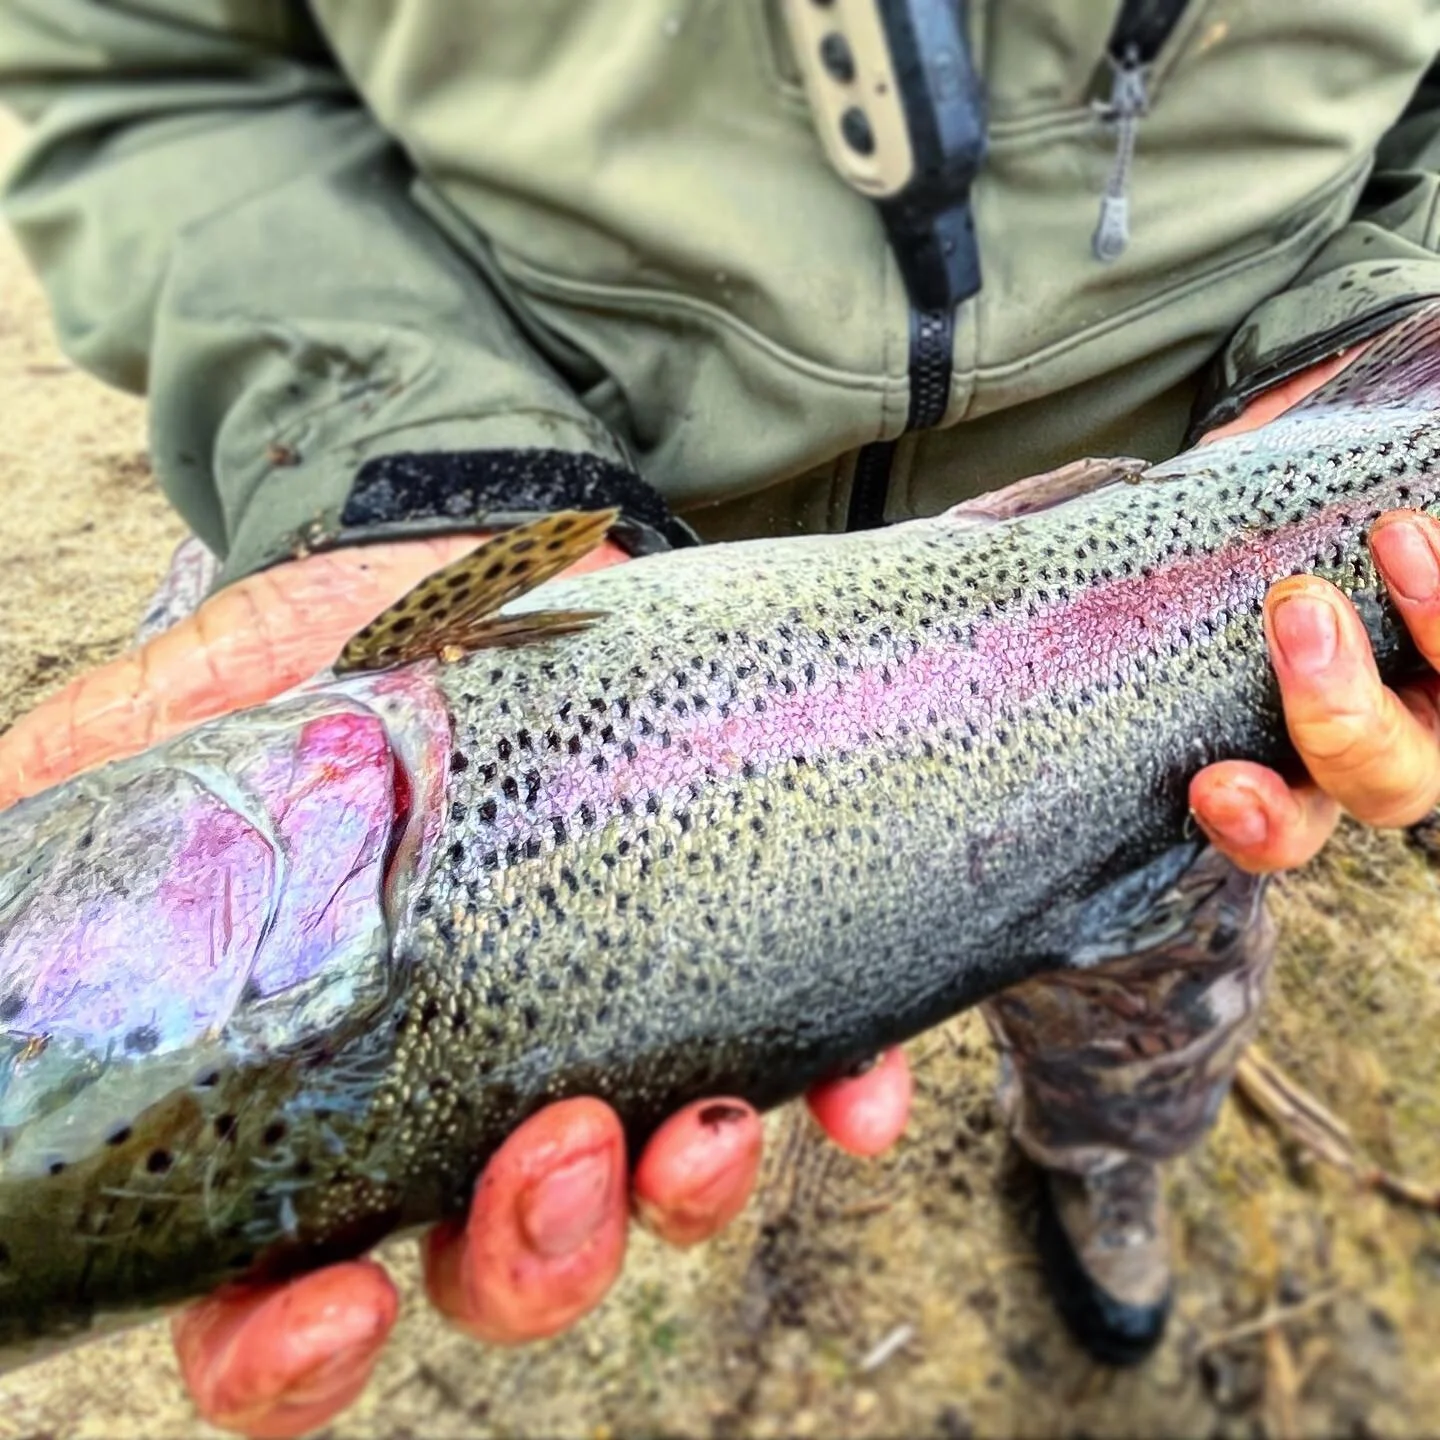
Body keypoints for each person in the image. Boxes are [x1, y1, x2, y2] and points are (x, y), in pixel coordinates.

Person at [3, 1, 1440, 1434]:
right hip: (582, 463)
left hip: (1219, 444)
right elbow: (158, 60)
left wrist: (1399, 311)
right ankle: (1110, 1148)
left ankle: (1101, 1157)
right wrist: (403, 462)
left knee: (1145, 1011)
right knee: (1172, 888)